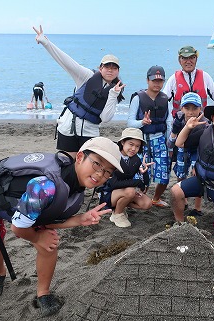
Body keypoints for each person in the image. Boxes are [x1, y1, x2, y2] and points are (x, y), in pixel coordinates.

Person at [0, 137, 123, 317]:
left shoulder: (76, 182)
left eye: (108, 172)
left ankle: (43, 293)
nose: (100, 174)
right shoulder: (45, 186)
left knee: (49, 243)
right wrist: (37, 237)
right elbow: (18, 228)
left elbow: (46, 217)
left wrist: (79, 219)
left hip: (24, 208)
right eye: (97, 164)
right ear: (79, 158)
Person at [33, 25, 125, 159]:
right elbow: (66, 61)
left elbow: (105, 118)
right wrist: (45, 42)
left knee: (85, 167)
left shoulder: (116, 90)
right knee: (66, 164)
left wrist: (113, 95)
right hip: (67, 127)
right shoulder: (86, 76)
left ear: (118, 71)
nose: (110, 70)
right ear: (100, 68)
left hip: (90, 132)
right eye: (107, 66)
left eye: (114, 68)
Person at [127, 65, 172, 207]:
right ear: (147, 80)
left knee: (164, 175)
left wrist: (169, 143)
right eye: (154, 80)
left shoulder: (165, 100)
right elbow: (129, 122)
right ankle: (138, 198)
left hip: (160, 140)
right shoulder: (137, 98)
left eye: (160, 81)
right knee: (139, 174)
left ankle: (156, 198)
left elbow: (169, 122)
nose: (157, 83)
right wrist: (142, 122)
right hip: (141, 142)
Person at [99, 128, 154, 228]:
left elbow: (144, 185)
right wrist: (136, 183)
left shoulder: (135, 159)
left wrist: (144, 171)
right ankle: (117, 214)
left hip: (125, 191)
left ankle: (121, 205)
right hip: (108, 194)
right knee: (130, 191)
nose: (133, 149)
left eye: (137, 146)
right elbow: (113, 184)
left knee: (147, 203)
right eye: (131, 144)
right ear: (123, 142)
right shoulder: (113, 157)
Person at [167, 92, 208, 216]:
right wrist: (170, 149)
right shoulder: (178, 120)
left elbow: (205, 144)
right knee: (181, 173)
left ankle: (197, 207)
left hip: (198, 150)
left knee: (198, 177)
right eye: (187, 108)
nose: (191, 112)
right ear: (181, 108)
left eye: (195, 108)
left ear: (200, 109)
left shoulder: (204, 122)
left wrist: (199, 162)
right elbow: (171, 141)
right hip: (182, 149)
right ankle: (183, 199)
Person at [163, 45, 214, 117]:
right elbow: (163, 100)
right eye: (184, 58)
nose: (188, 61)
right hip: (180, 121)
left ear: (196, 59)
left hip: (201, 120)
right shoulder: (173, 79)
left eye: (192, 58)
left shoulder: (205, 76)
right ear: (179, 61)